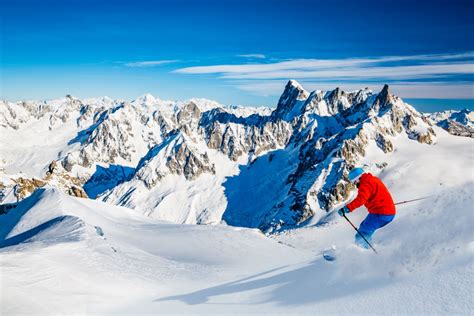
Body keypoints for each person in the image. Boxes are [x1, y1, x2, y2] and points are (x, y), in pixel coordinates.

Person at [338, 167, 396, 249]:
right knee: (364, 227)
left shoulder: (365, 185)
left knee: (362, 234)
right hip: (387, 211)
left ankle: (364, 254)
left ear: (357, 179)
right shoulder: (373, 179)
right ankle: (367, 247)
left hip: (381, 213)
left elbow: (360, 200)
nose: (355, 185)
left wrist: (346, 208)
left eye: (354, 182)